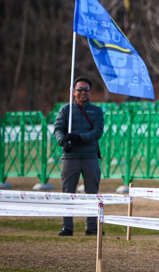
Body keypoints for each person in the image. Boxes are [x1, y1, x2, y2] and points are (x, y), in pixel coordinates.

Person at [53, 77, 104, 236]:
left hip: (90, 156)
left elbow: (97, 132)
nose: (83, 92)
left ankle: (92, 227)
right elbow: (58, 129)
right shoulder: (65, 110)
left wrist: (78, 137)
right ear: (73, 91)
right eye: (80, 89)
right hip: (71, 157)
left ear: (90, 92)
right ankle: (67, 227)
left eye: (86, 89)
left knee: (92, 193)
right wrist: (63, 142)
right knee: (68, 193)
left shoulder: (96, 111)